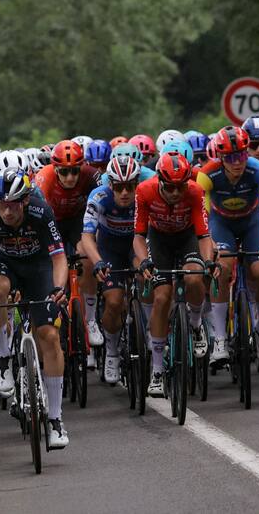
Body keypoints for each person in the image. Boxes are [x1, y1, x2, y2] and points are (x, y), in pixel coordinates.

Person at [0, 167, 71, 449]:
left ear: (25, 200)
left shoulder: (42, 212)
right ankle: (3, 357)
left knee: (50, 338)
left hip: (40, 268)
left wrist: (58, 289)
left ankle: (55, 420)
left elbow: (59, 258)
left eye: (13, 204)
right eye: (2, 203)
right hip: (5, 266)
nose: (6, 211)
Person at [133, 151, 216, 398]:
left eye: (180, 187)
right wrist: (144, 260)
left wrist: (208, 262)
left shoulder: (194, 191)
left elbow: (203, 235)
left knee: (194, 277)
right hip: (158, 240)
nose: (175, 193)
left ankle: (196, 323)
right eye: (170, 187)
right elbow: (138, 235)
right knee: (161, 298)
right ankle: (157, 371)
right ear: (159, 180)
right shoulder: (144, 191)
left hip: (187, 237)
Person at [196, 126, 259, 364]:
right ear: (220, 157)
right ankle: (220, 337)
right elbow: (202, 216)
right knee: (222, 268)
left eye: (241, 155)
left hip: (252, 223)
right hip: (222, 224)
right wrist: (210, 242)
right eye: (230, 157)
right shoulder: (207, 174)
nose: (237, 162)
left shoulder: (258, 169)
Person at [34, 139, 103, 347]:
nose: (71, 177)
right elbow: (37, 217)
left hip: (77, 222)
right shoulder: (43, 179)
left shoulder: (92, 175)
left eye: (75, 171)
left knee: (87, 258)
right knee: (55, 265)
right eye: (64, 172)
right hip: (50, 222)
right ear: (55, 169)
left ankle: (90, 320)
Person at [80, 155, 143, 384]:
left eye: (129, 187)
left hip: (137, 245)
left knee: (148, 279)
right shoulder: (99, 197)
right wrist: (97, 261)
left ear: (137, 184)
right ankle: (113, 351)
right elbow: (87, 236)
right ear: (110, 185)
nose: (124, 192)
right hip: (110, 248)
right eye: (118, 187)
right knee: (114, 301)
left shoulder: (144, 195)